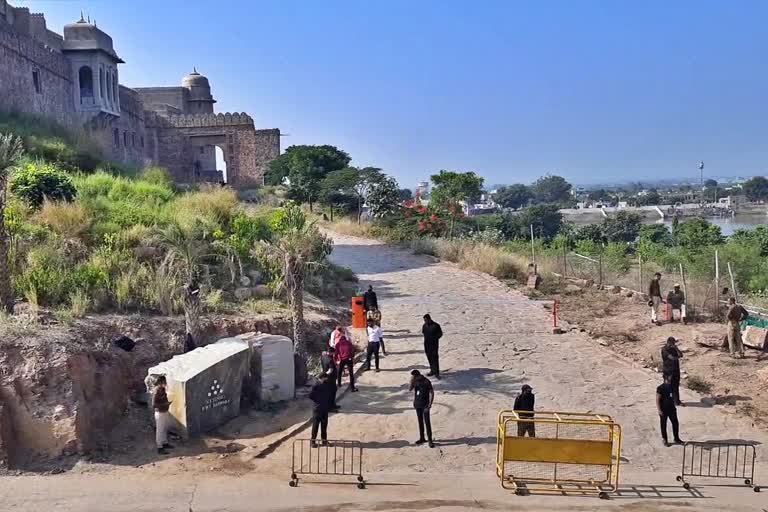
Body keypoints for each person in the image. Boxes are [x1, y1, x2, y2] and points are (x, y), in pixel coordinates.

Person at [657, 373, 684, 447]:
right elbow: (657, 400)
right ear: (666, 378)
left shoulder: (671, 386)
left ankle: (676, 438)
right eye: (669, 376)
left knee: (675, 423)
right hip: (664, 409)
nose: (671, 377)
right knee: (663, 425)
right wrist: (659, 410)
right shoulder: (660, 388)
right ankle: (665, 439)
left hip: (672, 409)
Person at [410, 370, 435, 448]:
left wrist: (430, 404)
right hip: (417, 404)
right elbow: (410, 389)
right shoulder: (415, 381)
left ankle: (430, 440)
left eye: (414, 376)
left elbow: (431, 392)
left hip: (425, 405)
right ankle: (422, 438)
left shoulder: (426, 381)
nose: (413, 377)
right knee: (420, 422)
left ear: (418, 375)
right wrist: (411, 381)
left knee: (427, 422)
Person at [151, 375, 174, 455]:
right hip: (160, 412)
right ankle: (159, 447)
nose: (165, 384)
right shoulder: (156, 391)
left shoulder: (162, 389)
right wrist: (164, 404)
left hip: (165, 411)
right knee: (160, 430)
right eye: (164, 382)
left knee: (164, 428)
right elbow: (154, 405)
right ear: (160, 383)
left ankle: (165, 443)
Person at [309, 374, 333, 447]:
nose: (326, 379)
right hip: (317, 409)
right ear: (322, 378)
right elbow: (311, 396)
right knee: (315, 426)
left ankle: (324, 441)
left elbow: (329, 394)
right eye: (325, 378)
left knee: (324, 425)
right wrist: (319, 401)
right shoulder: (316, 385)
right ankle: (312, 441)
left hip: (325, 408)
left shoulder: (326, 385)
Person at [661, 337, 683, 406]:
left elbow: (681, 355)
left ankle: (676, 401)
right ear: (668, 342)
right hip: (668, 371)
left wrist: (676, 349)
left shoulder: (674, 349)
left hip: (675, 370)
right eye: (672, 343)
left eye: (674, 343)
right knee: (668, 386)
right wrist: (677, 357)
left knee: (675, 386)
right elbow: (672, 358)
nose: (673, 344)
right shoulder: (664, 349)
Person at [422, 314, 443, 379]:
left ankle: (436, 372)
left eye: (426, 320)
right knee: (429, 358)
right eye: (424, 320)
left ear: (429, 319)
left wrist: (434, 338)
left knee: (435, 358)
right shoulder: (424, 326)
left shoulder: (436, 325)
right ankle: (432, 370)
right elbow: (423, 332)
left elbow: (440, 334)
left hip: (434, 345)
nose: (425, 321)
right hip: (427, 344)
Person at [320, 347, 340, 411]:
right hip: (331, 378)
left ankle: (333, 405)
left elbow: (322, 366)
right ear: (331, 352)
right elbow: (330, 370)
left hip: (326, 378)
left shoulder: (323, 357)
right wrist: (327, 374)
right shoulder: (330, 360)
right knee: (332, 392)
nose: (334, 354)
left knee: (329, 392)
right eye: (333, 353)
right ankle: (330, 407)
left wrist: (323, 375)